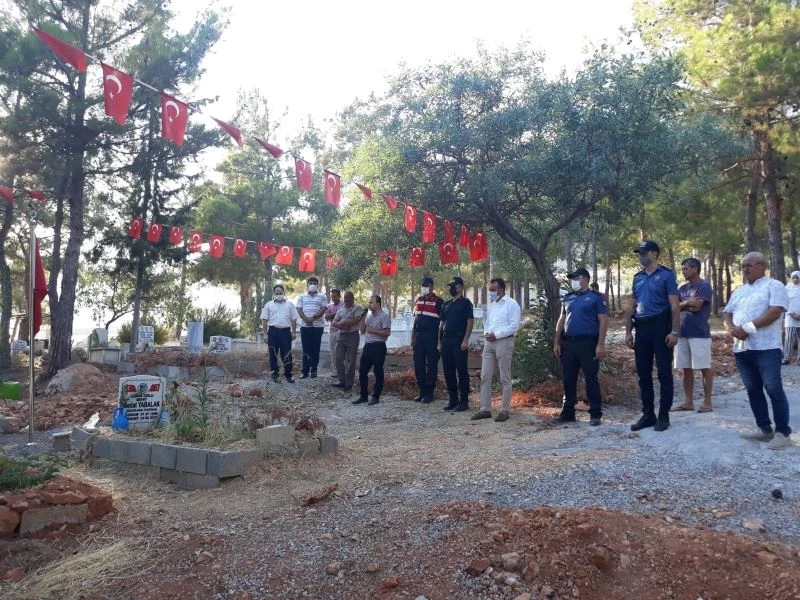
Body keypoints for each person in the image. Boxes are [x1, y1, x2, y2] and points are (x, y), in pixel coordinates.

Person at [724, 252, 791, 450]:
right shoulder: (740, 290)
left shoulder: (774, 285)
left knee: (773, 388)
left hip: (766, 348)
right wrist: (732, 330)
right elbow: (727, 312)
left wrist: (747, 328)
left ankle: (783, 433)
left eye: (749, 265)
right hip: (742, 349)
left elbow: (775, 312)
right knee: (753, 390)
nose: (745, 269)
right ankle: (764, 429)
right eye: (743, 266)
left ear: (762, 266)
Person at [625, 240, 680, 432]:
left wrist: (674, 332)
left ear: (654, 254)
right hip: (641, 328)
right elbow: (632, 306)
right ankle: (648, 414)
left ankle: (664, 415)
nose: (641, 256)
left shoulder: (666, 275)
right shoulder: (637, 278)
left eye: (644, 253)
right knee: (643, 373)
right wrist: (628, 331)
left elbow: (674, 306)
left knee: (664, 373)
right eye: (639, 253)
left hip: (660, 327)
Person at [553, 268, 607, 426]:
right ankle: (568, 412)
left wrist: (600, 345)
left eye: (576, 278)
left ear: (586, 279)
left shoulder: (596, 298)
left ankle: (595, 414)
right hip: (569, 344)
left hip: (588, 344)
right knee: (569, 379)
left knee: (591, 379)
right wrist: (557, 342)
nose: (573, 281)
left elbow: (603, 321)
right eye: (572, 278)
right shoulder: (568, 298)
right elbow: (561, 320)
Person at [473, 277, 521, 422]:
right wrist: (487, 333)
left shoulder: (512, 304)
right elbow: (488, 323)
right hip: (489, 343)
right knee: (485, 376)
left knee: (504, 377)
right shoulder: (492, 305)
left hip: (504, 342)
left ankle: (505, 410)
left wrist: (497, 335)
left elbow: (514, 326)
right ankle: (485, 409)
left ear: (501, 289)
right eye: (489, 290)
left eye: (492, 290)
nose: (491, 293)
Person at [671, 258, 714, 413]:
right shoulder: (682, 288)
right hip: (682, 332)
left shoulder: (704, 286)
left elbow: (696, 306)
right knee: (686, 369)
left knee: (704, 367)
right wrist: (686, 303)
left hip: (699, 334)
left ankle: (707, 402)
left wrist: (683, 305)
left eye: (686, 268)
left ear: (695, 269)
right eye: (682, 269)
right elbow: (673, 307)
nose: (683, 271)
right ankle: (688, 402)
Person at [439, 276, 474, 411]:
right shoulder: (447, 304)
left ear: (460, 287)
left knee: (461, 370)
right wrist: (439, 342)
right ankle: (453, 400)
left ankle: (464, 401)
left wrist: (465, 340)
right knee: (448, 371)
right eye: (450, 286)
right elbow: (441, 324)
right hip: (446, 339)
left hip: (459, 340)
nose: (451, 289)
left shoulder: (465, 303)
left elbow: (470, 322)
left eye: (453, 286)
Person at [354, 295, 392, 405]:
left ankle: (376, 396)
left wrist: (373, 330)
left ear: (378, 304)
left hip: (378, 346)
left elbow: (387, 333)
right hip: (368, 346)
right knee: (362, 371)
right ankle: (363, 396)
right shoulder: (369, 316)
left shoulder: (384, 316)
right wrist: (362, 317)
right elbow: (363, 330)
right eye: (369, 302)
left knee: (378, 371)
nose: (369, 304)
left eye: (371, 302)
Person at [411, 276, 444, 403]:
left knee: (431, 365)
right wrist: (413, 337)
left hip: (432, 337)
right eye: (422, 285)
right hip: (419, 337)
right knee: (418, 364)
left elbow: (443, 323)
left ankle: (429, 393)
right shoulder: (418, 300)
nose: (424, 288)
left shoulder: (438, 302)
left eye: (426, 285)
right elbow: (416, 320)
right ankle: (422, 392)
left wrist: (439, 341)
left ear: (432, 287)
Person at [260, 284, 298, 383]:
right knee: (273, 354)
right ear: (274, 293)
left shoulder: (290, 304)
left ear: (284, 293)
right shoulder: (268, 305)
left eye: (280, 293)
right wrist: (265, 334)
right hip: (273, 332)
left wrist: (294, 332)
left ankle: (288, 375)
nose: (279, 295)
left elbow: (294, 319)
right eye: (277, 293)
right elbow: (264, 320)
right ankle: (275, 375)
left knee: (287, 354)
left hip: (286, 332)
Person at [331, 291, 365, 392]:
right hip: (341, 335)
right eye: (345, 298)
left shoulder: (358, 308)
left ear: (352, 298)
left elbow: (356, 320)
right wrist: (341, 325)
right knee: (338, 358)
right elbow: (334, 322)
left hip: (352, 336)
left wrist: (345, 322)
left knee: (351, 361)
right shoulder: (341, 309)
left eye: (348, 298)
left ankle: (349, 383)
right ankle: (342, 380)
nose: (346, 300)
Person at [295, 276, 328, 379]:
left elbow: (324, 308)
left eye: (314, 283)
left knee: (315, 348)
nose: (312, 284)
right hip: (305, 326)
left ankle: (314, 370)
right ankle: (305, 371)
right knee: (306, 349)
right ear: (307, 285)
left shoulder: (322, 296)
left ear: (318, 285)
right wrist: (306, 319)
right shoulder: (302, 296)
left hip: (318, 327)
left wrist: (313, 318)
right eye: (310, 283)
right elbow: (299, 309)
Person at [325, 289, 344, 376]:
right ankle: (335, 371)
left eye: (335, 296)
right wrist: (337, 314)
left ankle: (343, 371)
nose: (333, 298)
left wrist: (332, 315)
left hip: (342, 331)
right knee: (333, 352)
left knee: (342, 352)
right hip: (332, 331)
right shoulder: (329, 306)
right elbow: (326, 316)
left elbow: (343, 316)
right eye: (332, 297)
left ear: (339, 296)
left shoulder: (344, 305)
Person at [782, 271, 800, 365]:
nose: (795, 279)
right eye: (793, 277)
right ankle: (786, 358)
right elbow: (784, 302)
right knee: (789, 339)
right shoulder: (787, 289)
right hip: (790, 317)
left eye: (797, 277)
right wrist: (792, 314)